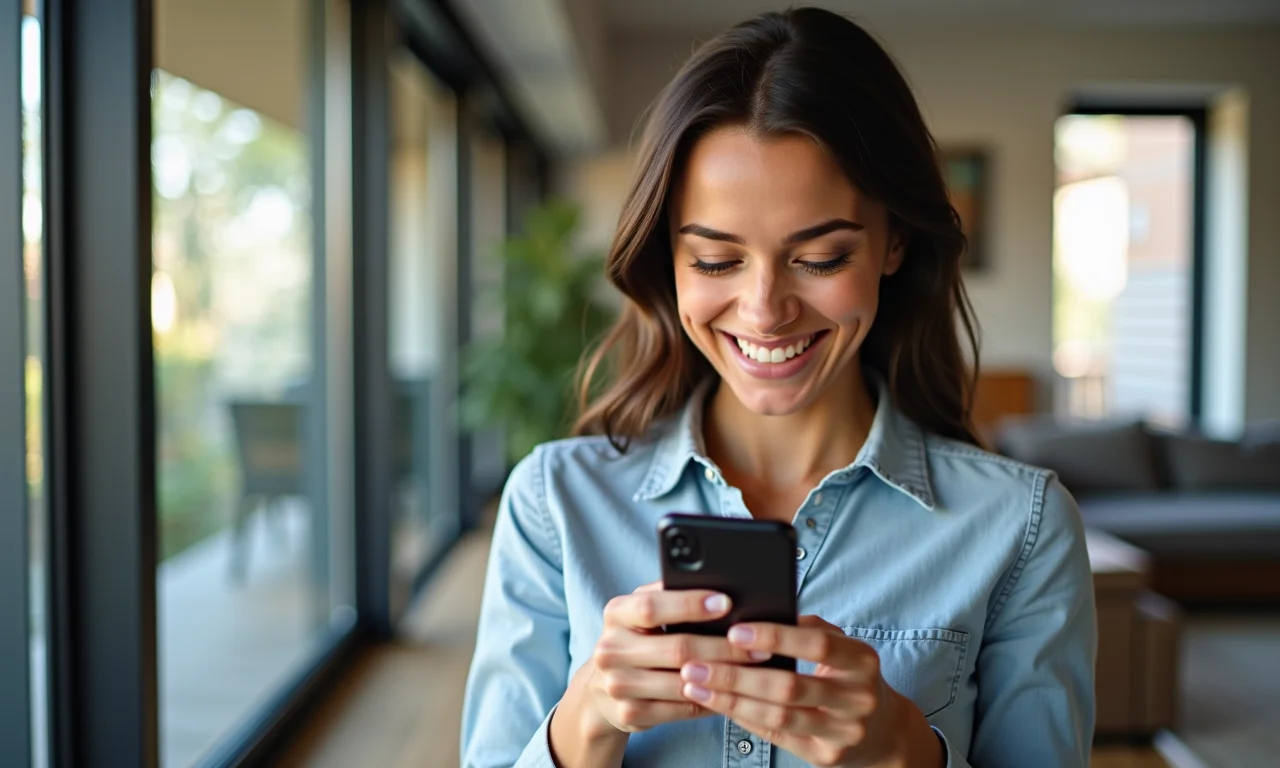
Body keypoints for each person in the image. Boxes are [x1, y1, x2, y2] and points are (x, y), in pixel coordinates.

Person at [461, 7, 1096, 768]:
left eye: (821, 257)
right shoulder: (554, 503)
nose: (765, 310)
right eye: (716, 261)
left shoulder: (1020, 530)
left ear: (894, 242)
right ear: (666, 258)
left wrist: (907, 754)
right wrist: (585, 721)